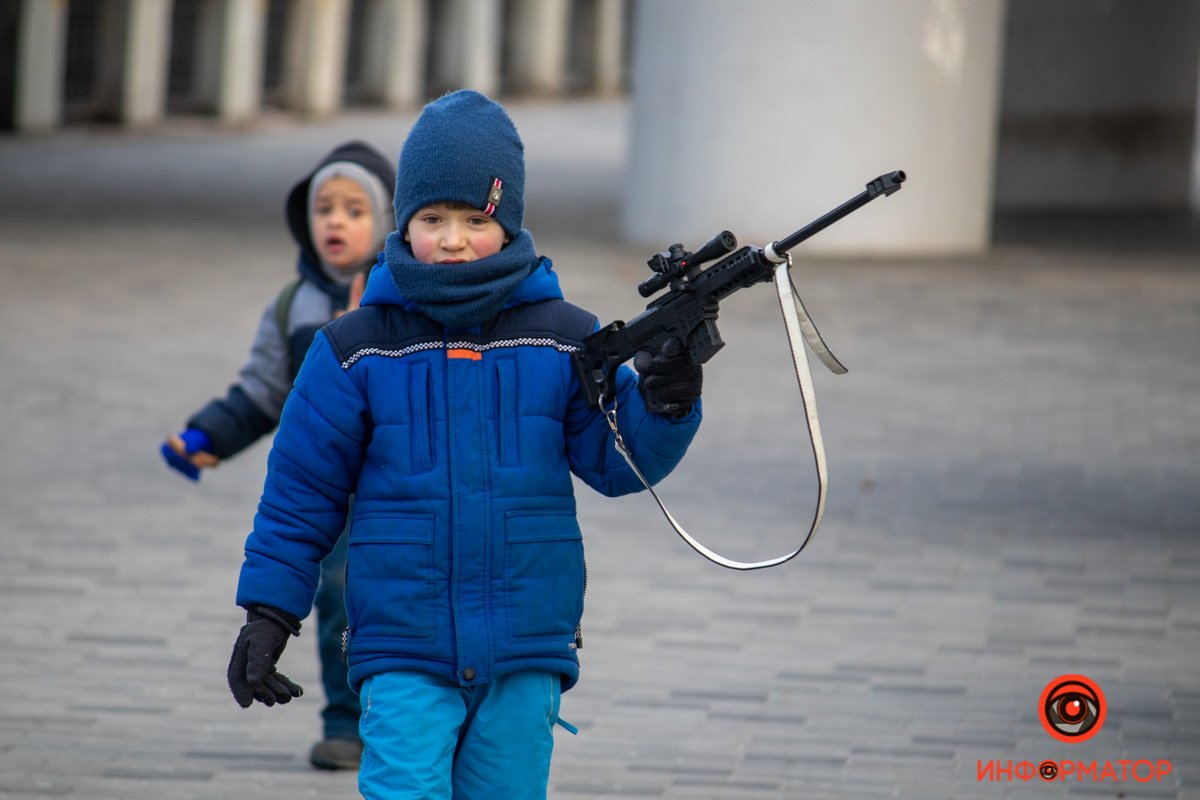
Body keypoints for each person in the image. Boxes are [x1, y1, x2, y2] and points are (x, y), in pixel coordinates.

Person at [225, 89, 704, 798]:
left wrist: (669, 399)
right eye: (432, 218)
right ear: (403, 222)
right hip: (401, 647)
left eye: (475, 219)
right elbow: (300, 492)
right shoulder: (355, 349)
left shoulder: (564, 335)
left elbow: (619, 460)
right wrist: (270, 611)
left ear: (507, 222)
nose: (452, 239)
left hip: (526, 645)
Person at [161, 140, 394, 770]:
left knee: (401, 599)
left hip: (402, 484)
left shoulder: (406, 302)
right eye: (325, 208)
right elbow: (262, 393)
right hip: (332, 490)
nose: (336, 222)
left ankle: (407, 714)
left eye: (354, 209)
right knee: (338, 596)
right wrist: (209, 434)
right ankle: (346, 721)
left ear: (389, 221)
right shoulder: (294, 306)